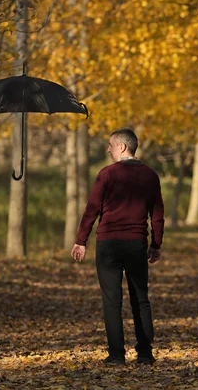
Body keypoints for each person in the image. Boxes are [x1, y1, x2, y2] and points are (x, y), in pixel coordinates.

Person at [71, 128, 164, 366]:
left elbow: (91, 210)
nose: (108, 149)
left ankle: (116, 355)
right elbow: (157, 216)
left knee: (112, 301)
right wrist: (156, 245)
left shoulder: (106, 174)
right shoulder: (150, 175)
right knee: (140, 299)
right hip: (136, 244)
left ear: (122, 147)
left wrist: (81, 240)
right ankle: (144, 353)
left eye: (111, 145)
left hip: (108, 245)